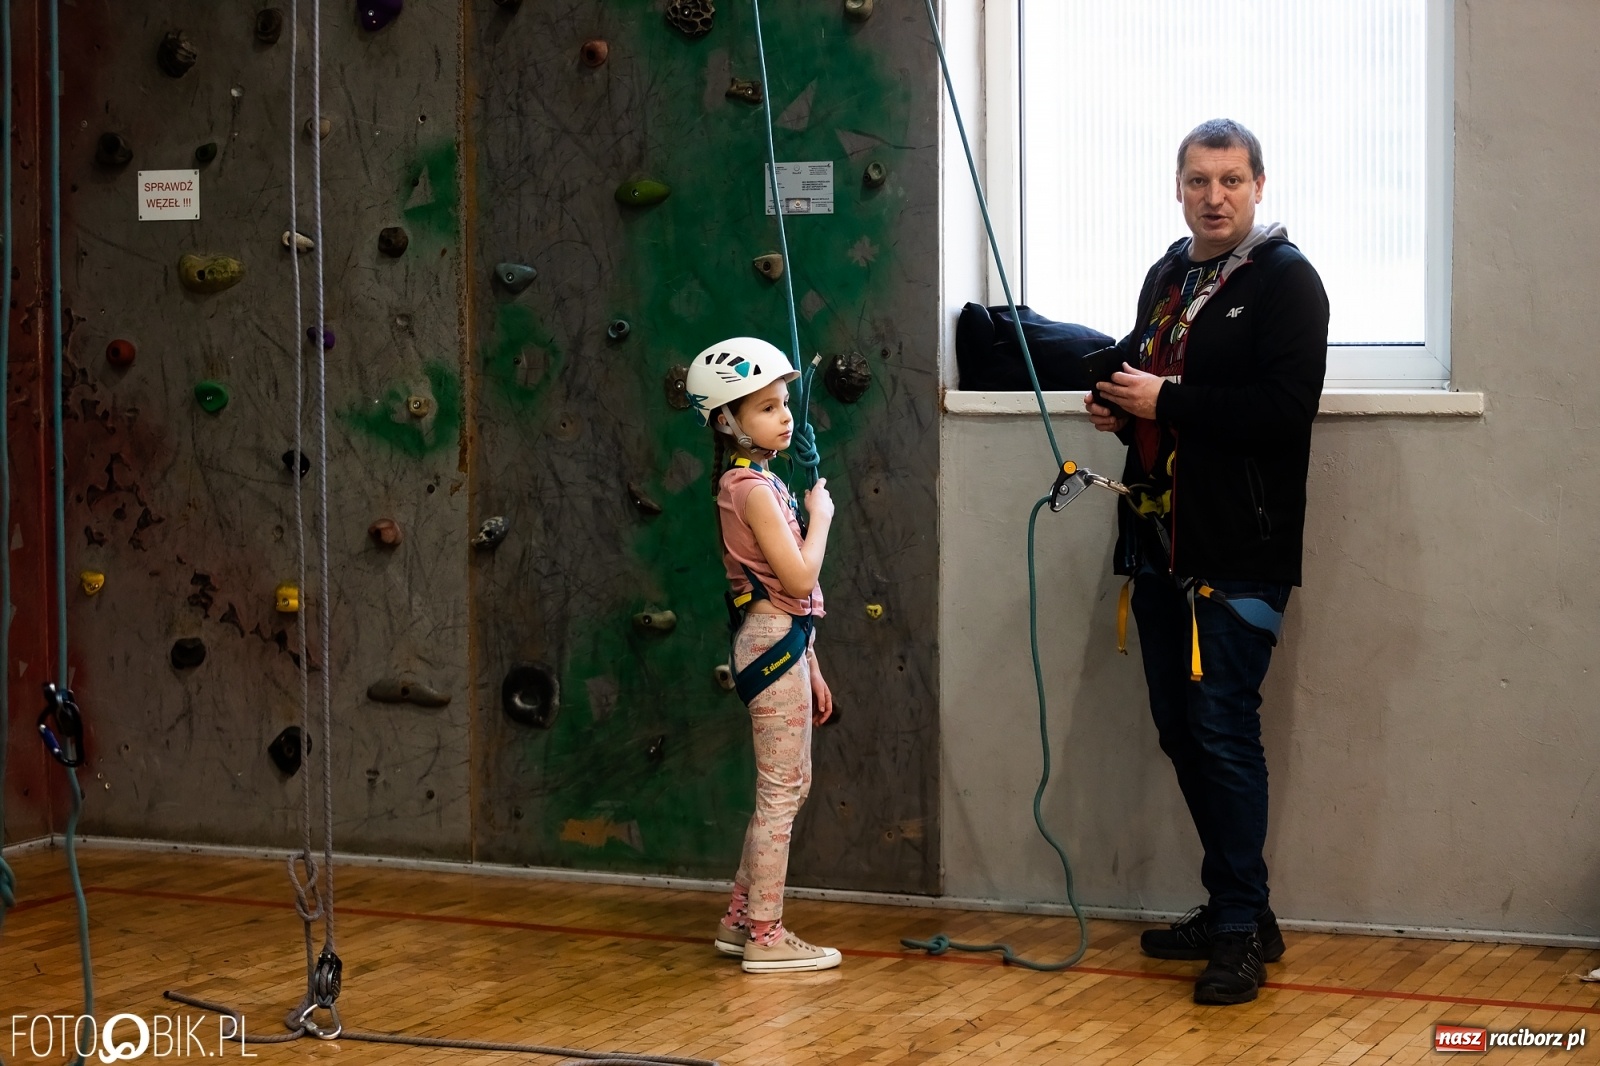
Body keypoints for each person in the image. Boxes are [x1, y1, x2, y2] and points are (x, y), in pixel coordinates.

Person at [1086, 119, 1329, 1005]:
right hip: (1157, 540)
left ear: (1260, 185)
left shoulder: (1289, 283)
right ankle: (1241, 906)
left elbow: (1281, 411)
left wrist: (1170, 400)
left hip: (1239, 549)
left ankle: (1237, 930)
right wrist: (1121, 400)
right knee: (1181, 729)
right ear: (1177, 187)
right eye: (1198, 180)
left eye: (1231, 179)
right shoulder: (1169, 274)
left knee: (1223, 730)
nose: (1214, 196)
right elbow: (1150, 372)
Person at [685, 337, 841, 974]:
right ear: (727, 422)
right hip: (774, 639)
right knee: (781, 792)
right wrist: (822, 516)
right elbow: (800, 581)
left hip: (785, 642)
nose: (786, 417)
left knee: (790, 786)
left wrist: (813, 665)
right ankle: (766, 934)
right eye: (767, 408)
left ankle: (740, 918)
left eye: (784, 404)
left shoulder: (759, 482)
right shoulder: (750, 489)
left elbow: (791, 598)